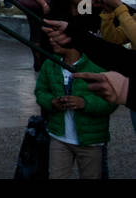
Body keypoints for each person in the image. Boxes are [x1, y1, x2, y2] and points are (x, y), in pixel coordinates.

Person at [34, 32, 116, 179]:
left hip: (90, 141)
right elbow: (41, 91)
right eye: (51, 37)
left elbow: (111, 101)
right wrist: (52, 102)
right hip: (59, 138)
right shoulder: (50, 64)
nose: (51, 40)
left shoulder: (96, 67)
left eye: (57, 37)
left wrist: (85, 103)